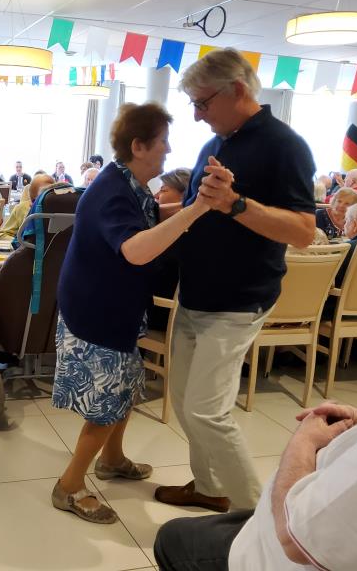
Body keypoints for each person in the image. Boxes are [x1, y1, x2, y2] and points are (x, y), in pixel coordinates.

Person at [155, 48, 316, 513]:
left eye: (202, 103)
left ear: (238, 90)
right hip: (196, 293)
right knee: (183, 401)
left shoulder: (285, 146)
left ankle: (258, 519)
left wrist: (236, 204)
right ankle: (209, 487)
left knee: (207, 411)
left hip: (238, 300)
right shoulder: (216, 144)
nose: (196, 114)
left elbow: (303, 232)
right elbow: (196, 208)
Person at [52, 102, 210, 524]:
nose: (168, 149)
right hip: (97, 312)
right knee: (106, 403)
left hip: (112, 307)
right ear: (138, 146)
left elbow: (148, 220)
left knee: (125, 389)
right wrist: (196, 209)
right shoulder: (111, 191)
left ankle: (112, 459)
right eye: (162, 142)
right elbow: (136, 250)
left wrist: (198, 207)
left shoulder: (128, 184)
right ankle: (69, 486)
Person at [154, 392, 357, 571]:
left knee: (171, 539)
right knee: (194, 404)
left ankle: (238, 502)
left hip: (279, 546)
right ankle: (217, 492)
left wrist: (304, 440)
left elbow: (294, 541)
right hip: (280, 518)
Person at [0, 173, 54, 241]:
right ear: (33, 196)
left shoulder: (59, 209)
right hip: (25, 245)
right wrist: (19, 242)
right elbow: (3, 234)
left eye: (51, 191)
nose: (48, 195)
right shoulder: (21, 209)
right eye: (44, 192)